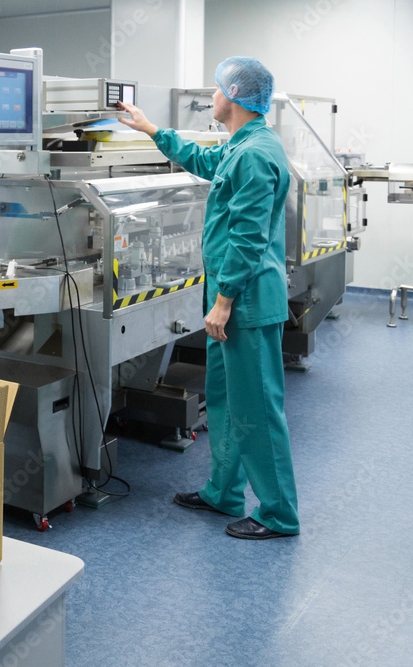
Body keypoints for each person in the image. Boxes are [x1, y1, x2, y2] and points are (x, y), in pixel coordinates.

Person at [118, 57, 300, 540]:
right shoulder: (241, 146)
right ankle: (224, 491)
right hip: (230, 298)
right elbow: (203, 162)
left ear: (236, 95)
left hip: (245, 302)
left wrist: (223, 301)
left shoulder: (258, 154)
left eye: (216, 89)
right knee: (224, 401)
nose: (210, 97)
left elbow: (247, 235)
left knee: (257, 408)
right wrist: (152, 129)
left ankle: (279, 513)